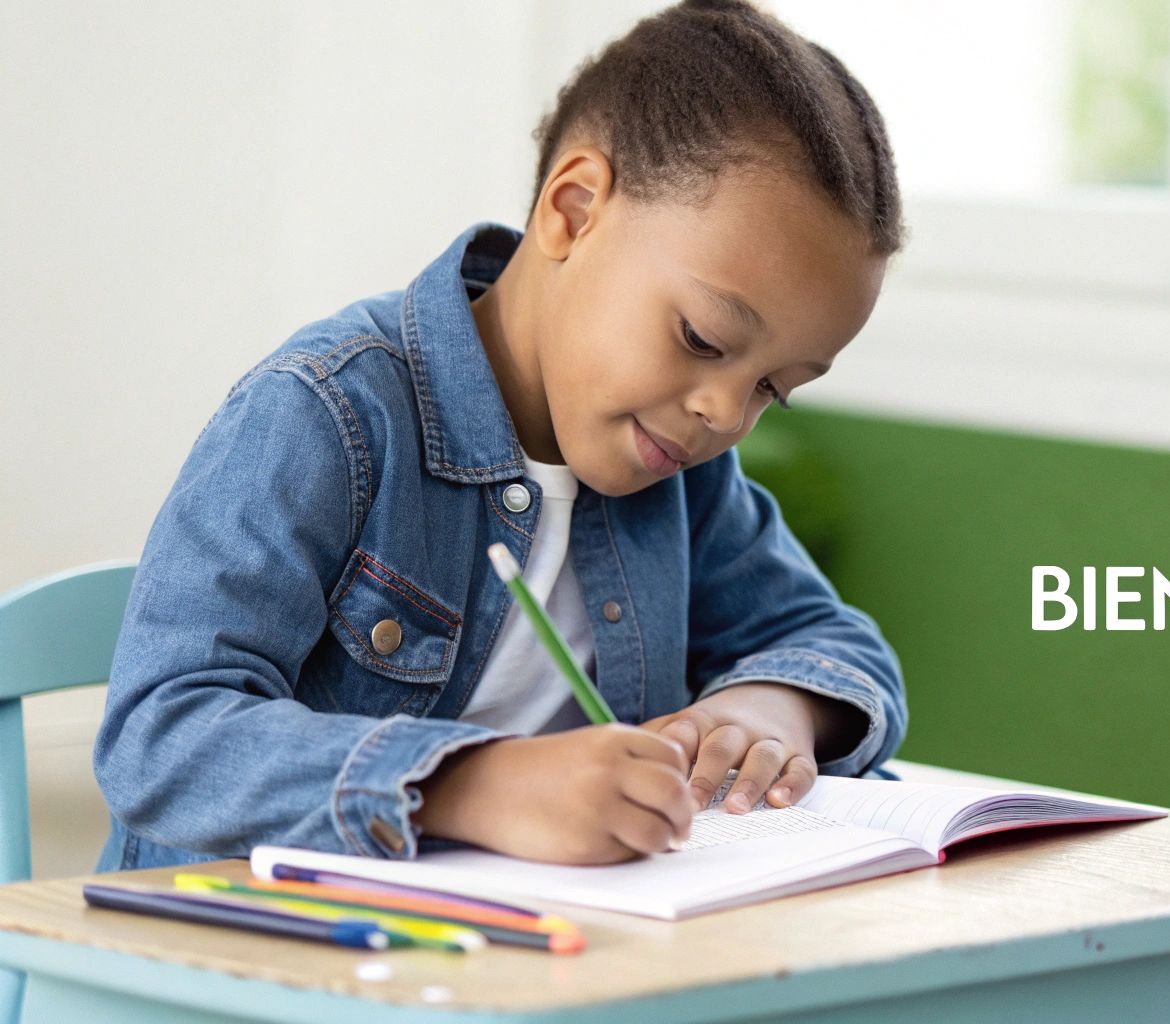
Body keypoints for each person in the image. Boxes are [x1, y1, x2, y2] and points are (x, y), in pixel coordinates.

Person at [92, 0, 907, 872]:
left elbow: (839, 644)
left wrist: (771, 708)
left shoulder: (680, 471)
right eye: (703, 339)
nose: (724, 412)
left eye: (772, 390)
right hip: (239, 968)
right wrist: (474, 787)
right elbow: (159, 735)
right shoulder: (328, 416)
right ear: (575, 209)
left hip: (509, 973)